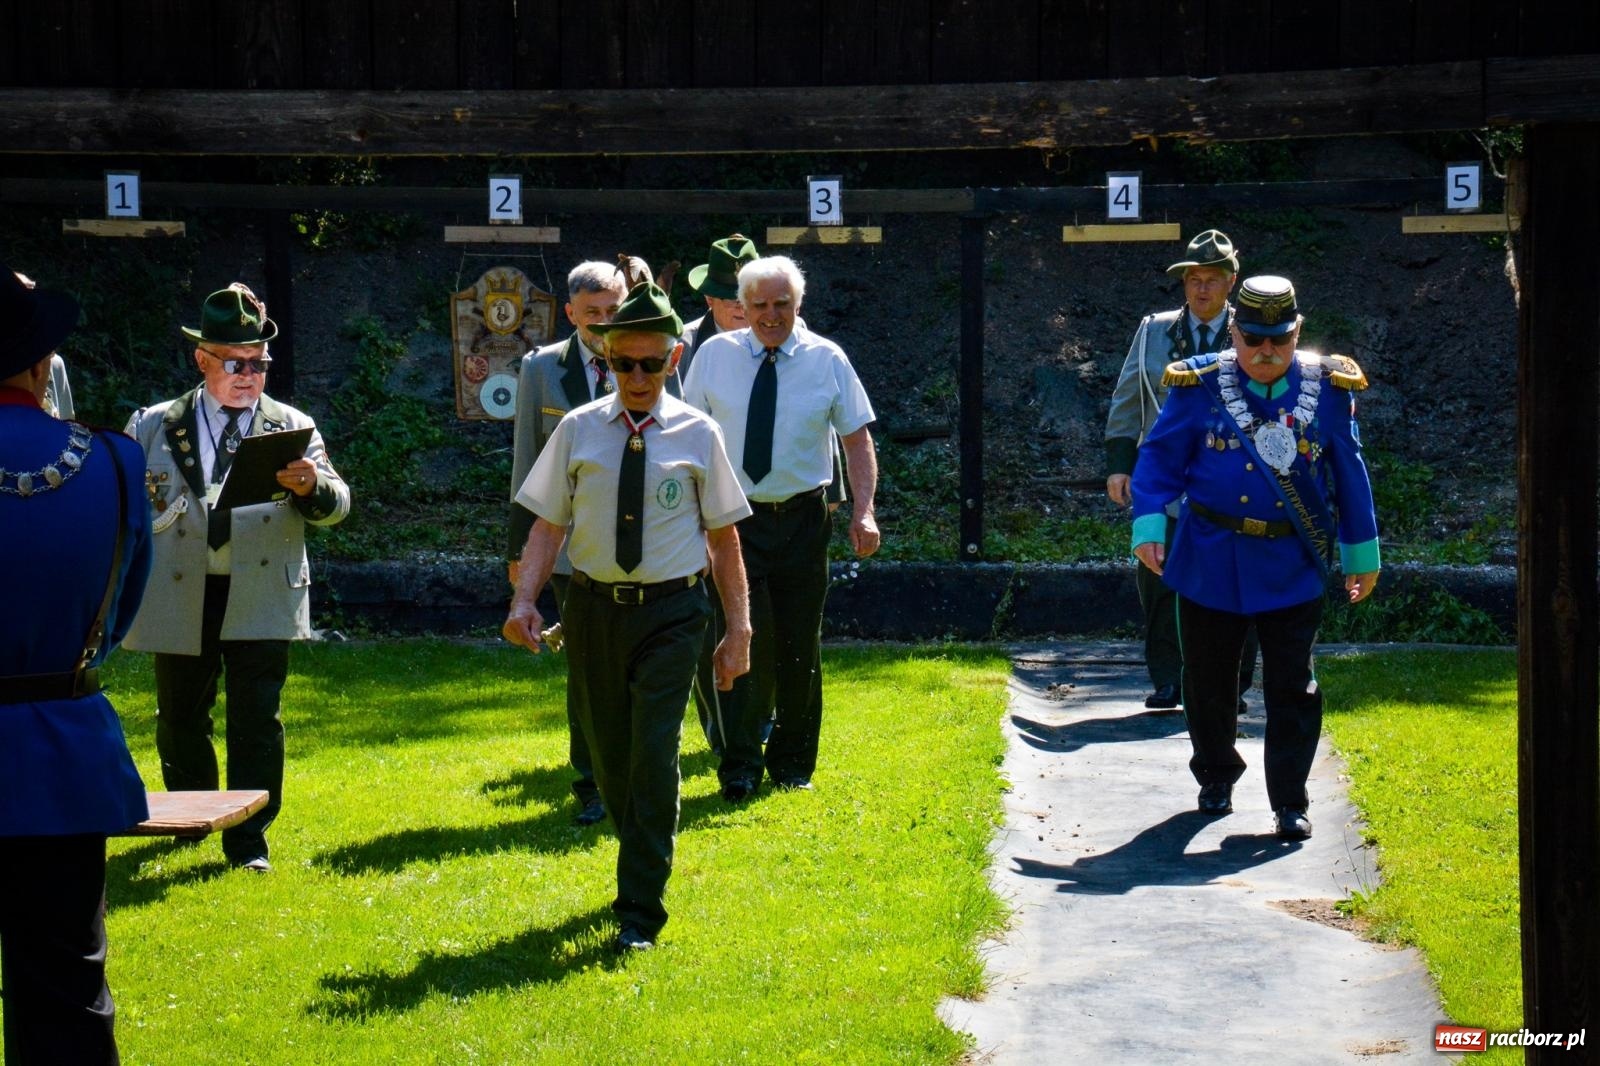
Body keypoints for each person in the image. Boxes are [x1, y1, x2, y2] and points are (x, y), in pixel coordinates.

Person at [503, 281, 752, 952]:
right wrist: (525, 599)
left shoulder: (699, 435)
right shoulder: (578, 431)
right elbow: (547, 526)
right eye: (623, 364)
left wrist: (739, 631)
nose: (637, 377)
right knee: (611, 762)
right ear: (606, 360)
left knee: (653, 755)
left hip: (674, 614)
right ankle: (635, 847)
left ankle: (640, 910)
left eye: (650, 363)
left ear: (674, 361)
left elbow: (725, 539)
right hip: (591, 613)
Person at [1129, 275, 1380, 840]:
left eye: (1280, 341)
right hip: (1209, 560)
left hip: (1292, 563)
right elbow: (1160, 460)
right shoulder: (1199, 386)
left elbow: (1350, 472)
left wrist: (1361, 552)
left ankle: (1290, 800)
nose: (1266, 354)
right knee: (1209, 682)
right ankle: (1216, 773)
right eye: (1254, 340)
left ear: (1298, 333)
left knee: (1293, 685)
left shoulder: (1330, 388)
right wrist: (1148, 523)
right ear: (1234, 331)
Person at [123, 283, 350, 873]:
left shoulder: (293, 424)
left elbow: (338, 505)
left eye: (260, 363)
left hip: (260, 587)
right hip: (179, 588)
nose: (250, 375)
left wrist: (311, 486)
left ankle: (249, 841)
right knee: (179, 716)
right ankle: (189, 821)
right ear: (202, 361)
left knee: (256, 717)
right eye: (236, 363)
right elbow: (122, 506)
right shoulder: (152, 424)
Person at [0, 265, 152, 1064]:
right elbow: (119, 614)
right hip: (63, 750)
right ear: (38, 364)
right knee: (65, 987)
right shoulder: (115, 462)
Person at [681, 255, 880, 800]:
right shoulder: (713, 358)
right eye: (760, 305)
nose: (771, 315)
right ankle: (739, 764)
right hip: (731, 522)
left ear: (798, 305)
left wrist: (863, 509)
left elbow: (857, 439)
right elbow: (684, 439)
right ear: (741, 308)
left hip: (801, 519)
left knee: (798, 643)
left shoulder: (827, 359)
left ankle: (792, 763)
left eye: (781, 304)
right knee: (739, 637)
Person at [507, 259, 639, 826]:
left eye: (615, 312)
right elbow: (526, 465)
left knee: (641, 665)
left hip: (643, 536)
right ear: (570, 315)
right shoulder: (541, 369)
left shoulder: (650, 358)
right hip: (566, 545)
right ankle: (590, 786)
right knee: (587, 669)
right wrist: (520, 560)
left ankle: (639, 777)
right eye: (594, 316)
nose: (606, 325)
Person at [1105, 229, 1258, 710]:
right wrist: (1119, 465)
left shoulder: (1254, 331)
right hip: (1164, 473)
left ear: (1231, 282)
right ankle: (1169, 679)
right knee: (1158, 575)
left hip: (1234, 475)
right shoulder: (1154, 330)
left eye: (1212, 279)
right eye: (1194, 278)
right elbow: (1128, 397)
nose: (1201, 289)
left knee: (1235, 576)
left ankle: (1231, 685)